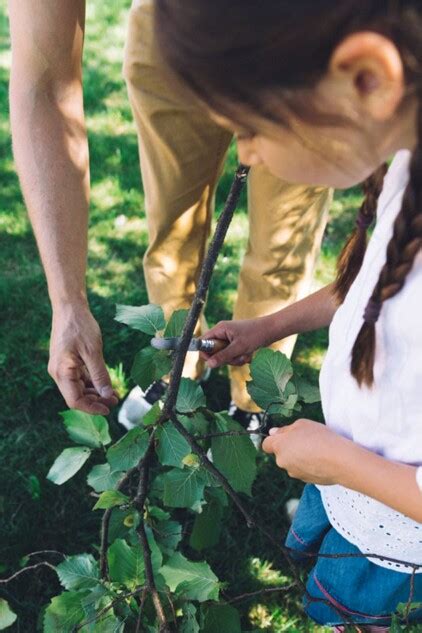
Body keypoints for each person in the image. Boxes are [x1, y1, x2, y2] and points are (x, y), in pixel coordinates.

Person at [155, 0, 422, 630]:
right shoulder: (407, 160)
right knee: (320, 551)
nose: (245, 155)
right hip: (348, 472)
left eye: (249, 127)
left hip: (393, 532)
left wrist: (339, 464)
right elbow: (372, 287)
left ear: (366, 77)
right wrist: (267, 327)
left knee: (345, 611)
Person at [8, 0, 330, 428]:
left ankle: (257, 398)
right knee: (172, 235)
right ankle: (173, 375)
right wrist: (67, 303)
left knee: (282, 247)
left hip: (307, 44)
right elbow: (45, 81)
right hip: (170, 40)